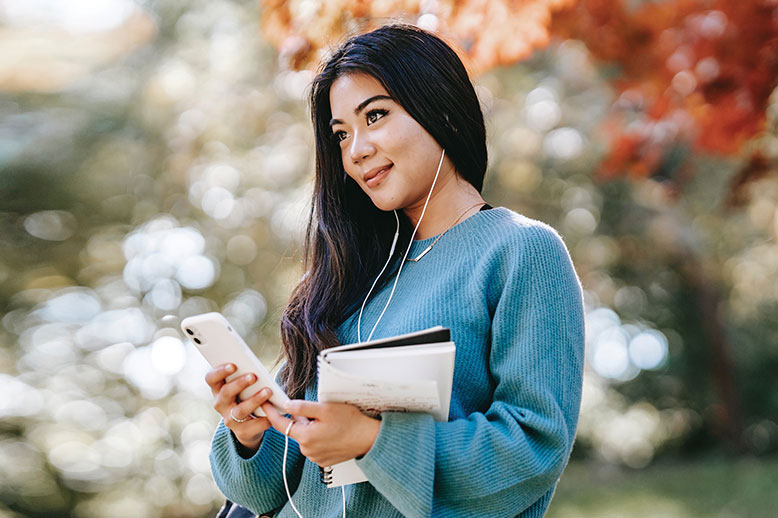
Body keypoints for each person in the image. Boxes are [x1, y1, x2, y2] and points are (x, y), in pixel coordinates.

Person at [205, 23, 584, 518]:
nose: (355, 151)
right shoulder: (349, 276)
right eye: (341, 134)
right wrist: (252, 431)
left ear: (441, 109)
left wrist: (373, 438)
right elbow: (263, 494)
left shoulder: (520, 251)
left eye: (376, 116)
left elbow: (533, 449)